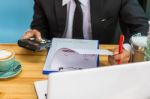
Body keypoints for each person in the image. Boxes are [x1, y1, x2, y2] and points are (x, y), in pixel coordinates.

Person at [21, 0, 149, 64]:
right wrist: (35, 35)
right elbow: (40, 27)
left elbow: (141, 26)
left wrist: (126, 49)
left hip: (104, 61)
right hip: (58, 60)